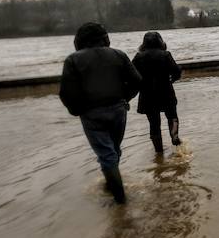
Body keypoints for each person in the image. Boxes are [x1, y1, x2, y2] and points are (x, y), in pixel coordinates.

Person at [59, 22, 141, 204]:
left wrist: (77, 110)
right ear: (105, 38)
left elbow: (66, 93)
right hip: (118, 111)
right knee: (113, 150)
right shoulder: (118, 55)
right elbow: (137, 81)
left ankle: (120, 200)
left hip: (91, 114)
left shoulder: (73, 60)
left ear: (79, 40)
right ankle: (112, 183)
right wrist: (125, 99)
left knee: (107, 154)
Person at [131, 31, 182, 154]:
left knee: (154, 124)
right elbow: (176, 71)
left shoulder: (138, 57)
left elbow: (132, 75)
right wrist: (172, 79)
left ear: (144, 43)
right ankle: (175, 138)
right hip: (166, 92)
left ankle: (159, 152)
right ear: (160, 42)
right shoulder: (165, 55)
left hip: (147, 95)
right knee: (172, 117)